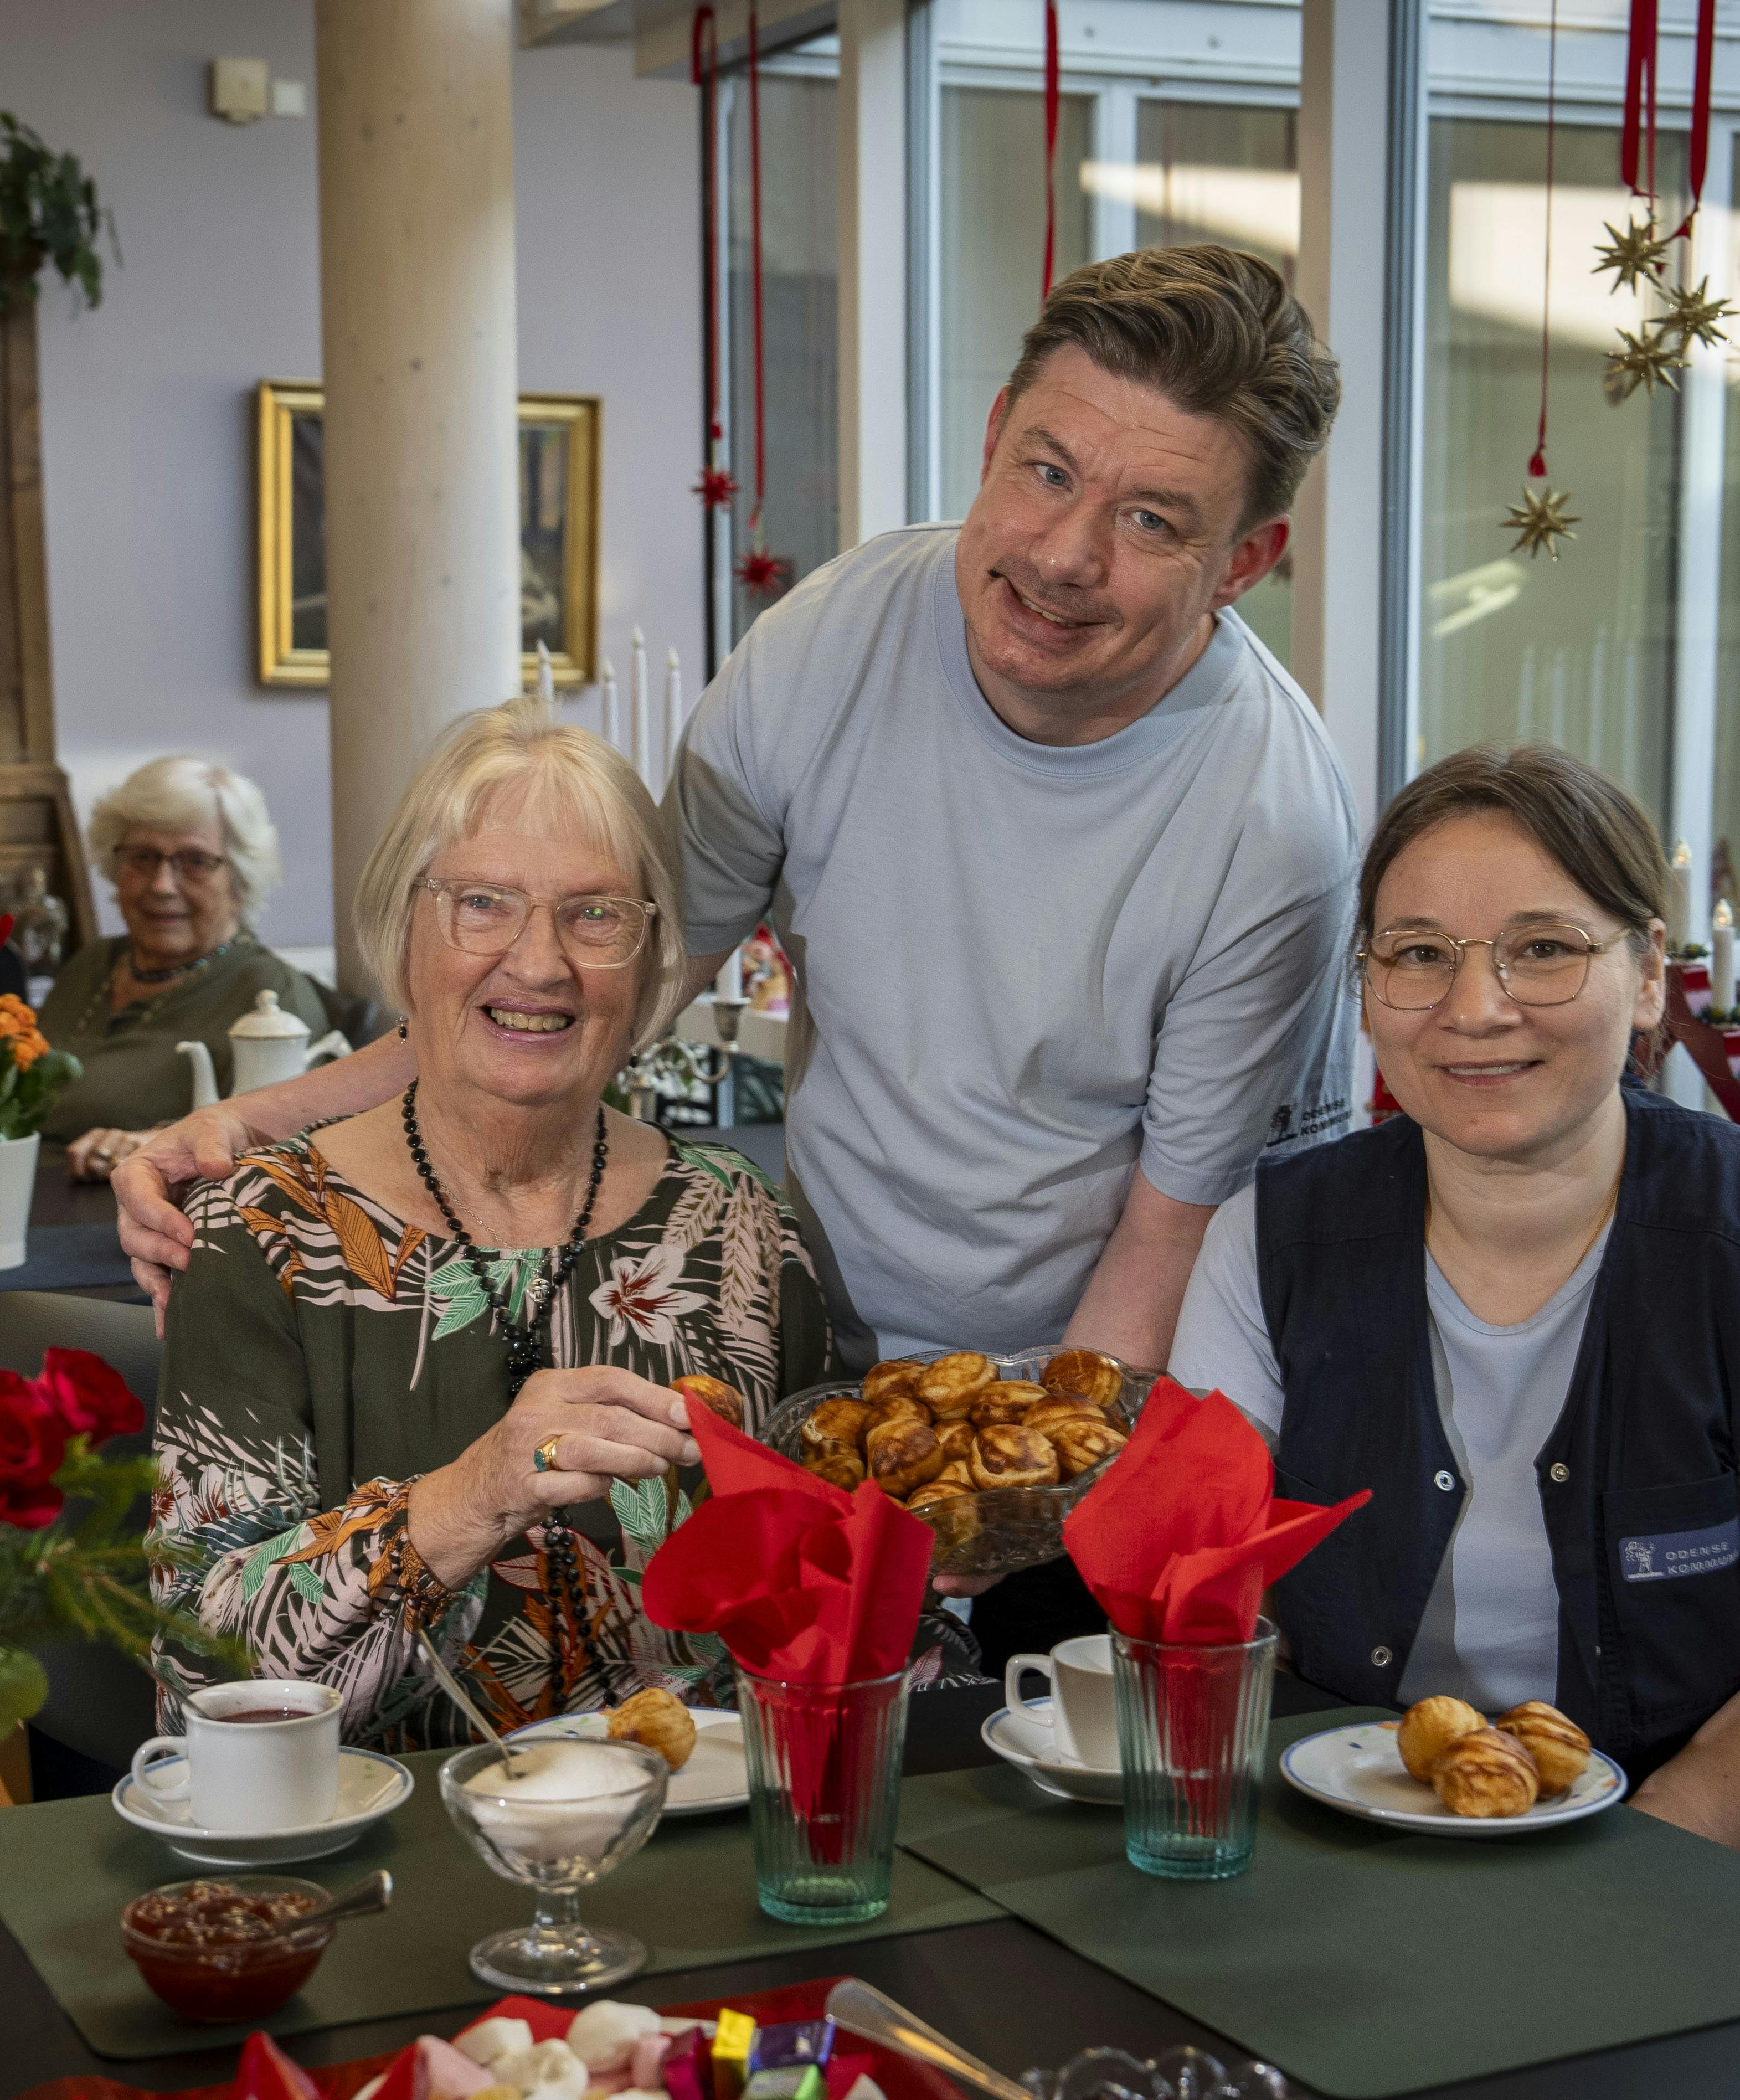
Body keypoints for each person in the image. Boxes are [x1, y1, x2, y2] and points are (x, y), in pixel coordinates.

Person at [117, 244, 1357, 1656]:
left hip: (1086, 1416)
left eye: (1149, 519)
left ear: (1242, 562)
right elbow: (596, 983)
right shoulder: (831, 640)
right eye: (1046, 469)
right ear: (992, 432)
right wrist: (245, 1125)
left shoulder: (1269, 831)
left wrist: (990, 1505)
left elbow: (1163, 1234)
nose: (1063, 555)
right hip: (810, 1348)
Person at [150, 700, 832, 1747]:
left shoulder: (737, 1223)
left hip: (700, 1851)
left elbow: (825, 1616)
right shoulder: (262, 1229)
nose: (540, 963)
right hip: (382, 1860)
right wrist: (471, 1496)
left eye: (595, 913)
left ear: (651, 955)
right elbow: (205, 1672)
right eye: (483, 903)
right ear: (402, 928)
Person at [1168, 742, 1740, 1844]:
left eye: (1541, 948)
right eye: (1418, 952)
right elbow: (1198, 1590)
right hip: (1332, 1821)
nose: (1473, 1008)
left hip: (1681, 1854)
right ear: (1369, 987)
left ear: (1646, 971)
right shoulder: (1267, 1237)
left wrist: (1644, 1867)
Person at [38, 756, 328, 1180]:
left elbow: (291, 1142)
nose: (161, 885)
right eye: (143, 857)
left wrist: (157, 1140)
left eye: (195, 861)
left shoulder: (269, 991)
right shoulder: (93, 963)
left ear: (240, 879)